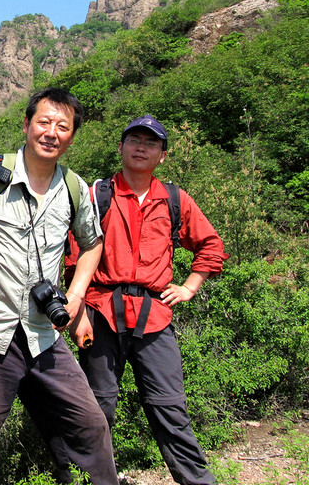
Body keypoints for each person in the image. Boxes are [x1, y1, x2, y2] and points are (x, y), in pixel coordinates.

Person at [0, 88, 118, 485]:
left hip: (44, 334)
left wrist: (75, 297)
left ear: (72, 136)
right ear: (26, 125)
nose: (51, 132)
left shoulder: (73, 188)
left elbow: (92, 244)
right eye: (43, 122)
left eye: (63, 126)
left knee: (91, 425)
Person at [69, 115, 228, 485]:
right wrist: (78, 315)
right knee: (96, 408)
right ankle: (92, 479)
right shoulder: (97, 195)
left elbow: (211, 245)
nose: (141, 147)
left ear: (162, 155)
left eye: (151, 143)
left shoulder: (173, 199)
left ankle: (197, 481)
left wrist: (189, 286)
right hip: (100, 313)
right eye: (134, 140)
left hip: (154, 316)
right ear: (121, 147)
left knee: (169, 407)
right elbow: (73, 257)